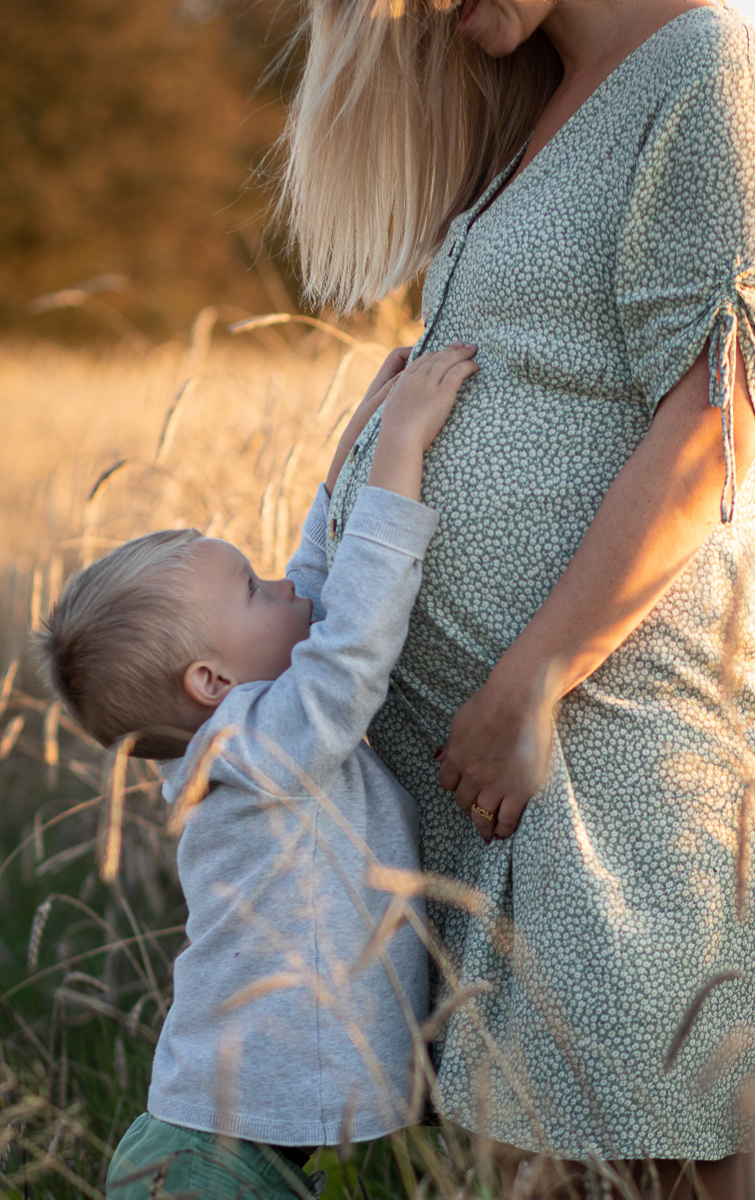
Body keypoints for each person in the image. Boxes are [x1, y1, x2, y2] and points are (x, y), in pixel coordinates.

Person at [280, 0, 755, 1195]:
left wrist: (531, 679)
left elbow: (718, 410)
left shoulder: (704, 62)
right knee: (528, 1161)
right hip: (500, 763)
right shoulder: (550, 93)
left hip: (595, 739)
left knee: (625, 1147)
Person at [37, 343, 479, 1199]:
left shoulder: (249, 731)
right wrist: (401, 453)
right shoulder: (255, 751)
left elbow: (314, 582)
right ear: (211, 685)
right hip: (207, 1166)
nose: (281, 585)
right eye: (251, 588)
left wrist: (357, 441)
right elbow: (351, 646)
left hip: (220, 1149)